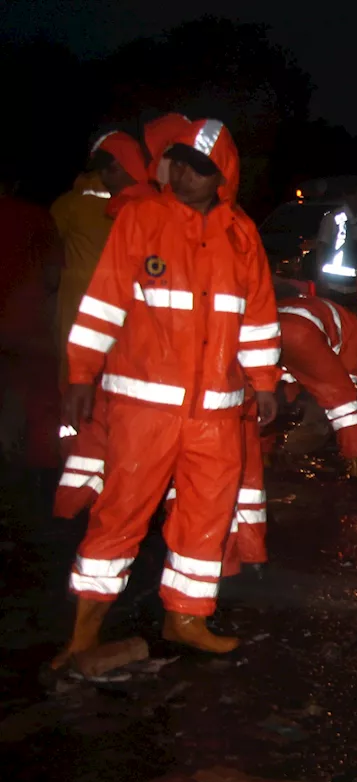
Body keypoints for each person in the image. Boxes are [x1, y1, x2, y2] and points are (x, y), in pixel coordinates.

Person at [54, 117, 281, 667]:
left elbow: (257, 317)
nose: (182, 175)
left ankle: (187, 619)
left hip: (217, 413)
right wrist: (82, 376)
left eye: (197, 168)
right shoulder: (140, 218)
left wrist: (266, 382)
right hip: (144, 407)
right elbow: (103, 304)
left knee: (206, 518)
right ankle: (84, 634)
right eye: (176, 162)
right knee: (119, 515)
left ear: (221, 175)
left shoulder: (241, 234)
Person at [55, 123, 185, 520]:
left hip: (119, 345)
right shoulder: (149, 208)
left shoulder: (133, 212)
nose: (105, 180)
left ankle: (94, 503)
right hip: (122, 343)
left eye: (107, 170)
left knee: (99, 421)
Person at [51, 132, 149, 383]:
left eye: (111, 169)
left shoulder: (70, 205)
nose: (106, 177)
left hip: (87, 313)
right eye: (104, 170)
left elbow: (46, 249)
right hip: (118, 317)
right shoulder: (156, 208)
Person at [0, 172, 62, 474]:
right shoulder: (35, 217)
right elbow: (53, 274)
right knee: (30, 389)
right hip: (24, 321)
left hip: (17, 320)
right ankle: (32, 461)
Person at [276, 289, 357, 478]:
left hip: (267, 326)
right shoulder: (356, 333)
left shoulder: (327, 310)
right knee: (343, 400)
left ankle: (263, 454)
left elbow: (297, 373)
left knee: (264, 392)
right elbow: (344, 394)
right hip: (302, 333)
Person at [313, 187, 357, 308]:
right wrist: (321, 280)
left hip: (353, 287)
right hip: (332, 285)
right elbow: (321, 248)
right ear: (345, 196)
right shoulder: (333, 218)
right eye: (354, 194)